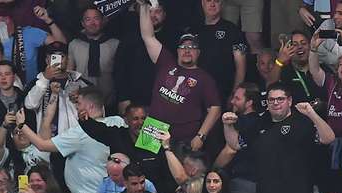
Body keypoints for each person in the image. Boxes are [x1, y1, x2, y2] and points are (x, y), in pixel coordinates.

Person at [16, 87, 126, 193]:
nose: (76, 108)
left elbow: (42, 145)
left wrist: (22, 125)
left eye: (79, 104)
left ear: (90, 107)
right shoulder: (118, 122)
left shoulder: (80, 133)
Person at [247, 83, 335, 193]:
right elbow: (236, 144)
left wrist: (311, 113)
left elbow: (328, 138)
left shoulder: (302, 122)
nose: (275, 103)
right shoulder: (260, 124)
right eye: (271, 99)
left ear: (289, 100)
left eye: (280, 99)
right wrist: (227, 125)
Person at [140, 2, 222, 148]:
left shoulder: (205, 78)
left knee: (178, 171)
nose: (187, 50)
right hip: (153, 128)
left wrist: (200, 136)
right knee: (146, 167)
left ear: (198, 52)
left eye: (192, 47)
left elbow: (215, 109)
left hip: (183, 135)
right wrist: (143, 6)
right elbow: (148, 36)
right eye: (183, 47)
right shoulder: (166, 62)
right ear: (177, 50)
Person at [0, 5, 67, 83]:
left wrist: (48, 20)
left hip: (31, 88)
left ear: (11, 19)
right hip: (3, 89)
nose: (0, 23)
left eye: (3, 18)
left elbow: (61, 45)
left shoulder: (29, 33)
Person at [193, 0, 248, 102]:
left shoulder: (232, 30)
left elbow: (241, 67)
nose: (212, 4)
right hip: (196, 91)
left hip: (222, 93)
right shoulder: (194, 30)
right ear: (202, 3)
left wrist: (234, 94)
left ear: (222, 4)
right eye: (209, 0)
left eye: (217, 1)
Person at [67, 7, 120, 106]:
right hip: (81, 100)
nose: (92, 23)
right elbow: (70, 72)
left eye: (96, 18)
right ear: (82, 23)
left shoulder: (115, 44)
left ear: (103, 21)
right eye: (88, 19)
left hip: (109, 100)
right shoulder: (74, 44)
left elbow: (122, 74)